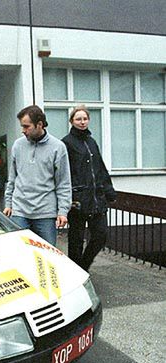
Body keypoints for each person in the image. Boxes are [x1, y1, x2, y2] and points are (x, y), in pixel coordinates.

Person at [3, 105, 71, 246]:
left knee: (46, 257)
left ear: (39, 124)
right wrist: (8, 203)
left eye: (26, 126)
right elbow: (12, 178)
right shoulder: (17, 145)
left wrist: (63, 211)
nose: (23, 131)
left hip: (45, 213)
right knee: (19, 254)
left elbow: (63, 182)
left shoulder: (58, 147)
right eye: (22, 126)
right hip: (19, 211)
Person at [62, 105, 116, 271]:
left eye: (85, 118)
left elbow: (100, 167)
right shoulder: (66, 143)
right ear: (72, 121)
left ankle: (83, 267)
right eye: (78, 119)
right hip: (78, 199)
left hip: (96, 198)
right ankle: (75, 272)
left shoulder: (91, 142)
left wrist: (109, 190)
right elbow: (63, 173)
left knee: (100, 235)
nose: (82, 122)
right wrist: (67, 196)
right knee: (76, 239)